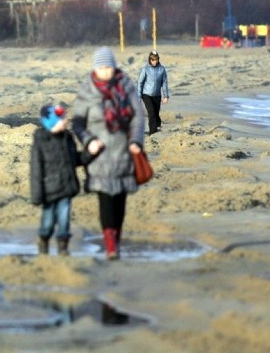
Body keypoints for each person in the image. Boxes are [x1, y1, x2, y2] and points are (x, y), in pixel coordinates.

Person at [72, 47, 146, 260]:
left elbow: (138, 117)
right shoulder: (87, 90)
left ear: (114, 67)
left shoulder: (126, 85)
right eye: (101, 68)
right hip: (100, 156)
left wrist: (136, 142)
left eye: (108, 67)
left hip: (124, 153)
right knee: (106, 200)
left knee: (120, 201)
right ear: (95, 69)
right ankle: (111, 244)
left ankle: (117, 237)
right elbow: (77, 122)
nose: (105, 72)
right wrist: (88, 141)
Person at [30, 104, 81, 256]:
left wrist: (90, 154)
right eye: (62, 118)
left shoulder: (67, 138)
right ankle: (43, 240)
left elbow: (75, 159)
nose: (66, 120)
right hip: (49, 191)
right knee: (48, 222)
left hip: (66, 188)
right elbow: (36, 171)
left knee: (64, 220)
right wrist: (37, 195)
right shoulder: (40, 142)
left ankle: (63, 247)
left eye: (65, 117)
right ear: (52, 122)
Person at [137, 50, 170, 135]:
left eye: (156, 60)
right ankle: (152, 132)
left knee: (156, 113)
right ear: (150, 60)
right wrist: (139, 96)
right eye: (152, 60)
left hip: (157, 95)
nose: (154, 62)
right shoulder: (145, 69)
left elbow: (164, 82)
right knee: (151, 113)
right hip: (146, 95)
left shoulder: (162, 69)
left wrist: (166, 96)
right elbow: (140, 82)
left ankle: (158, 125)